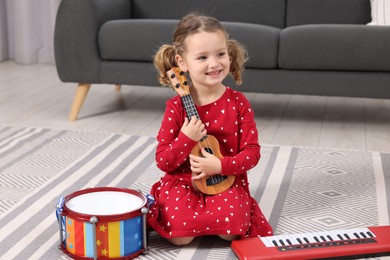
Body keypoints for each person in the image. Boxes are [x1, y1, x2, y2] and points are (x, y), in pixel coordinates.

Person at [147, 13, 273, 246]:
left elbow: (252, 153)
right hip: (183, 181)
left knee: (232, 230)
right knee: (181, 236)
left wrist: (220, 165)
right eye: (202, 57)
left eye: (220, 54)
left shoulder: (238, 102)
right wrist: (186, 138)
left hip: (225, 178)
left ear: (229, 53)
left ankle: (217, 217)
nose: (214, 64)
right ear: (182, 62)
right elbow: (164, 161)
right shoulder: (176, 106)